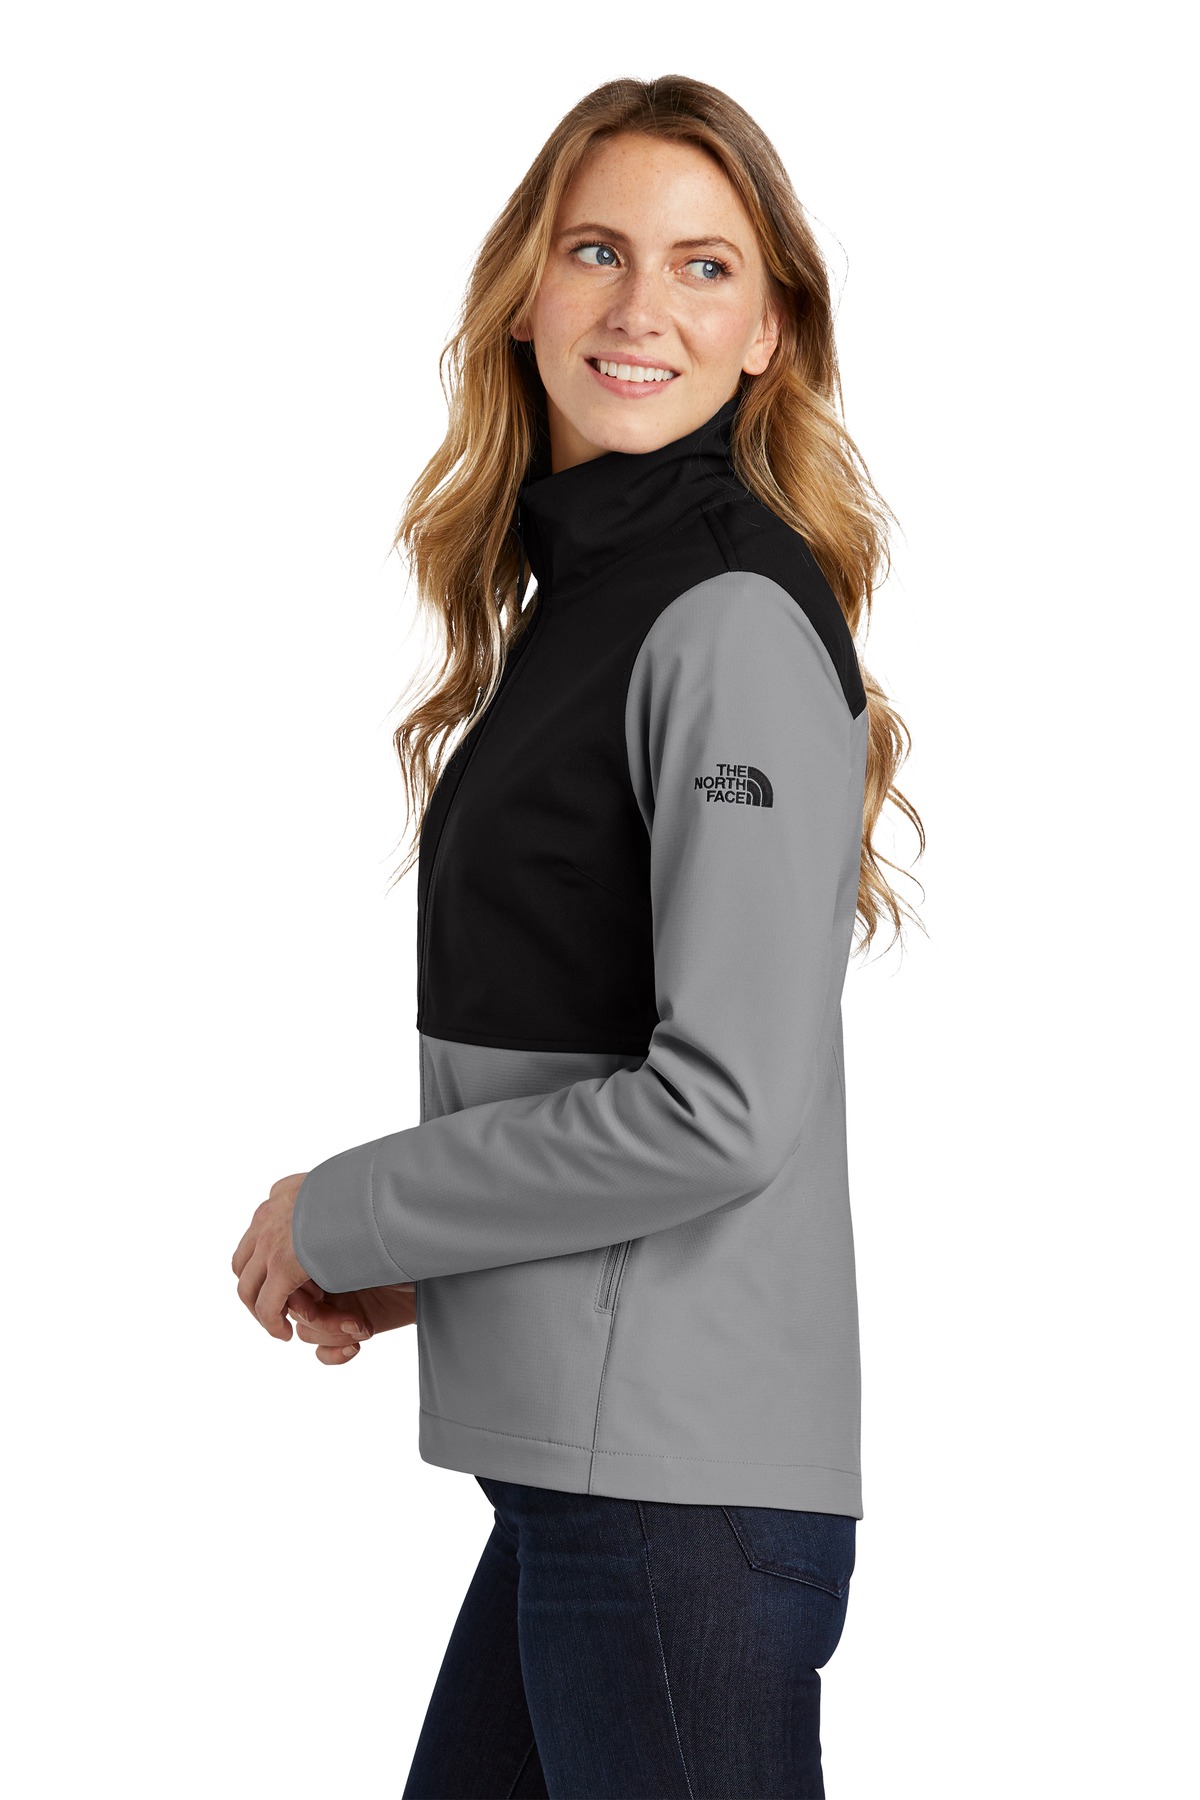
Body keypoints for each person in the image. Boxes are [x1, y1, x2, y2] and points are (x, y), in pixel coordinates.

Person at [232, 73, 923, 1799]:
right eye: (597, 249)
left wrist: (353, 1203)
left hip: (671, 1513)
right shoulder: (593, 604)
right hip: (602, 1490)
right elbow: (608, 1066)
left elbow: (717, 1112)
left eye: (704, 266)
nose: (639, 308)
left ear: (770, 330)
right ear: (525, 290)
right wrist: (434, 1257)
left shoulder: (726, 614)